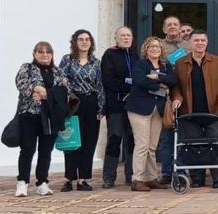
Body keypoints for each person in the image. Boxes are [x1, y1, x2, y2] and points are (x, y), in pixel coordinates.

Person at [169, 30, 218, 187]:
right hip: (190, 113)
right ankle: (197, 179)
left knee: (215, 144)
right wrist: (177, 98)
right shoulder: (181, 63)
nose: (200, 43)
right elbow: (175, 86)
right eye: (196, 40)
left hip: (212, 112)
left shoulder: (216, 61)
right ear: (190, 43)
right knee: (194, 146)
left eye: (203, 40)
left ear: (207, 43)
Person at [13, 42, 70, 197]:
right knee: (27, 149)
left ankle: (42, 182)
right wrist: (34, 89)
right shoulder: (27, 68)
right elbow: (21, 84)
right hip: (30, 115)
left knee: (46, 151)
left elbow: (65, 90)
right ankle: (22, 182)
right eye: (41, 52)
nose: (45, 55)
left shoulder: (58, 71)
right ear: (34, 53)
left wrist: (45, 93)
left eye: (48, 52)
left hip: (51, 117)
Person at [127, 37, 176, 192]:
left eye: (157, 46)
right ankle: (137, 179)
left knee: (152, 146)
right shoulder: (140, 64)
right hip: (139, 108)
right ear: (146, 50)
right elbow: (140, 81)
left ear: (161, 50)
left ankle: (151, 178)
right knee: (142, 145)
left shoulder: (165, 65)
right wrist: (162, 84)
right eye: (151, 47)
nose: (155, 49)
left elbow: (173, 80)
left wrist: (158, 77)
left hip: (158, 110)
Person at [59, 29, 105, 192]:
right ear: (75, 42)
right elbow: (61, 81)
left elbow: (100, 86)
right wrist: (64, 106)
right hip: (74, 102)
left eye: (87, 39)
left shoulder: (96, 63)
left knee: (89, 141)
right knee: (71, 141)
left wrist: (101, 108)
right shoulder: (67, 60)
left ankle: (83, 179)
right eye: (81, 39)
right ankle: (68, 178)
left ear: (91, 43)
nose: (84, 42)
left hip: (91, 102)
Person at [100, 27, 137, 189]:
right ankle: (109, 177)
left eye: (128, 35)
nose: (126, 38)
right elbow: (108, 80)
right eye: (122, 35)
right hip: (116, 105)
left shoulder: (136, 56)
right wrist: (128, 88)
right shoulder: (109, 54)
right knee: (114, 140)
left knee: (132, 141)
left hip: (134, 106)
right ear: (116, 38)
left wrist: (133, 90)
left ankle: (131, 175)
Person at [157, 15, 190, 184]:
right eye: (168, 24)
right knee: (167, 137)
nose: (172, 27)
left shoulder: (189, 45)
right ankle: (167, 172)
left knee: (184, 136)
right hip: (167, 97)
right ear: (164, 29)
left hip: (187, 97)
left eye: (175, 24)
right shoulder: (159, 46)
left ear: (180, 27)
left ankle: (183, 170)